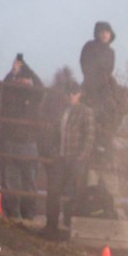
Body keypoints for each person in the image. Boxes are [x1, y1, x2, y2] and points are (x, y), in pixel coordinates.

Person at [44, 83, 94, 236]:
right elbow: (54, 132)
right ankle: (51, 226)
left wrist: (81, 157)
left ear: (79, 94)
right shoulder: (62, 112)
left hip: (76, 160)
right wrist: (53, 151)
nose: (71, 96)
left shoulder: (86, 111)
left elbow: (89, 137)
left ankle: (72, 227)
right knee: (53, 191)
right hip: (61, 157)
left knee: (75, 194)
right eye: (69, 93)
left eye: (74, 93)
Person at [0, 53, 44, 222]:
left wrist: (26, 68)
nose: (22, 81)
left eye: (25, 79)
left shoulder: (33, 96)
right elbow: (1, 88)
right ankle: (13, 212)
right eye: (20, 78)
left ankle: (29, 213)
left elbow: (41, 87)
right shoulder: (10, 91)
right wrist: (12, 72)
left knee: (29, 179)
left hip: (28, 141)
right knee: (11, 179)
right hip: (11, 141)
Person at [80, 21, 118, 150]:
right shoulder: (89, 46)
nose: (104, 35)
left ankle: (106, 140)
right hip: (90, 84)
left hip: (104, 86)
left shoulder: (111, 52)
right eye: (101, 32)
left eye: (107, 32)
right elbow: (84, 63)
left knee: (113, 108)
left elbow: (110, 69)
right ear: (97, 34)